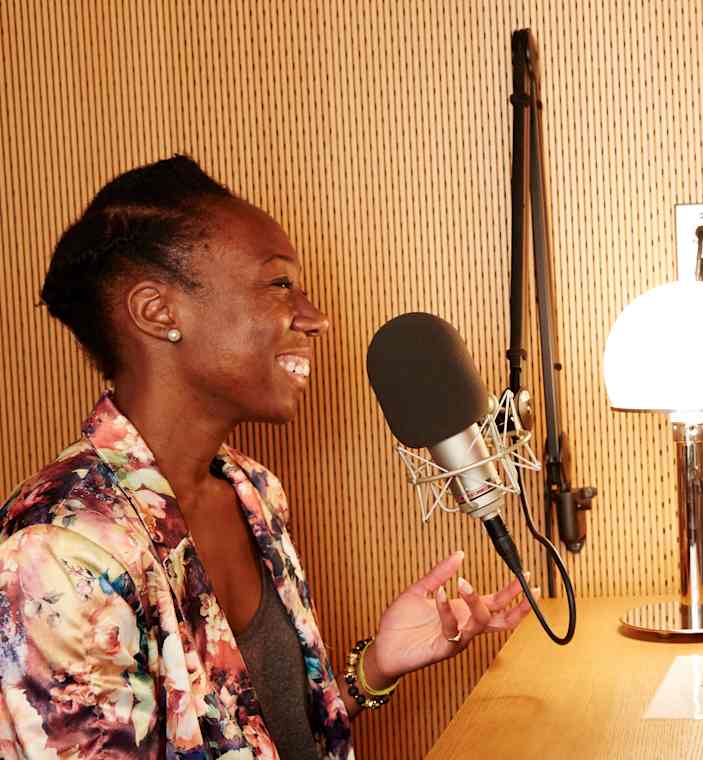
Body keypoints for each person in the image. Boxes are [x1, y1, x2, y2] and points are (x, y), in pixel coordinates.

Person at [0, 156, 534, 759]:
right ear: (158, 311)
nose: (316, 317)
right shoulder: (57, 556)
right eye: (280, 284)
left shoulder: (253, 489)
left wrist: (375, 669)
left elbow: (256, 735)